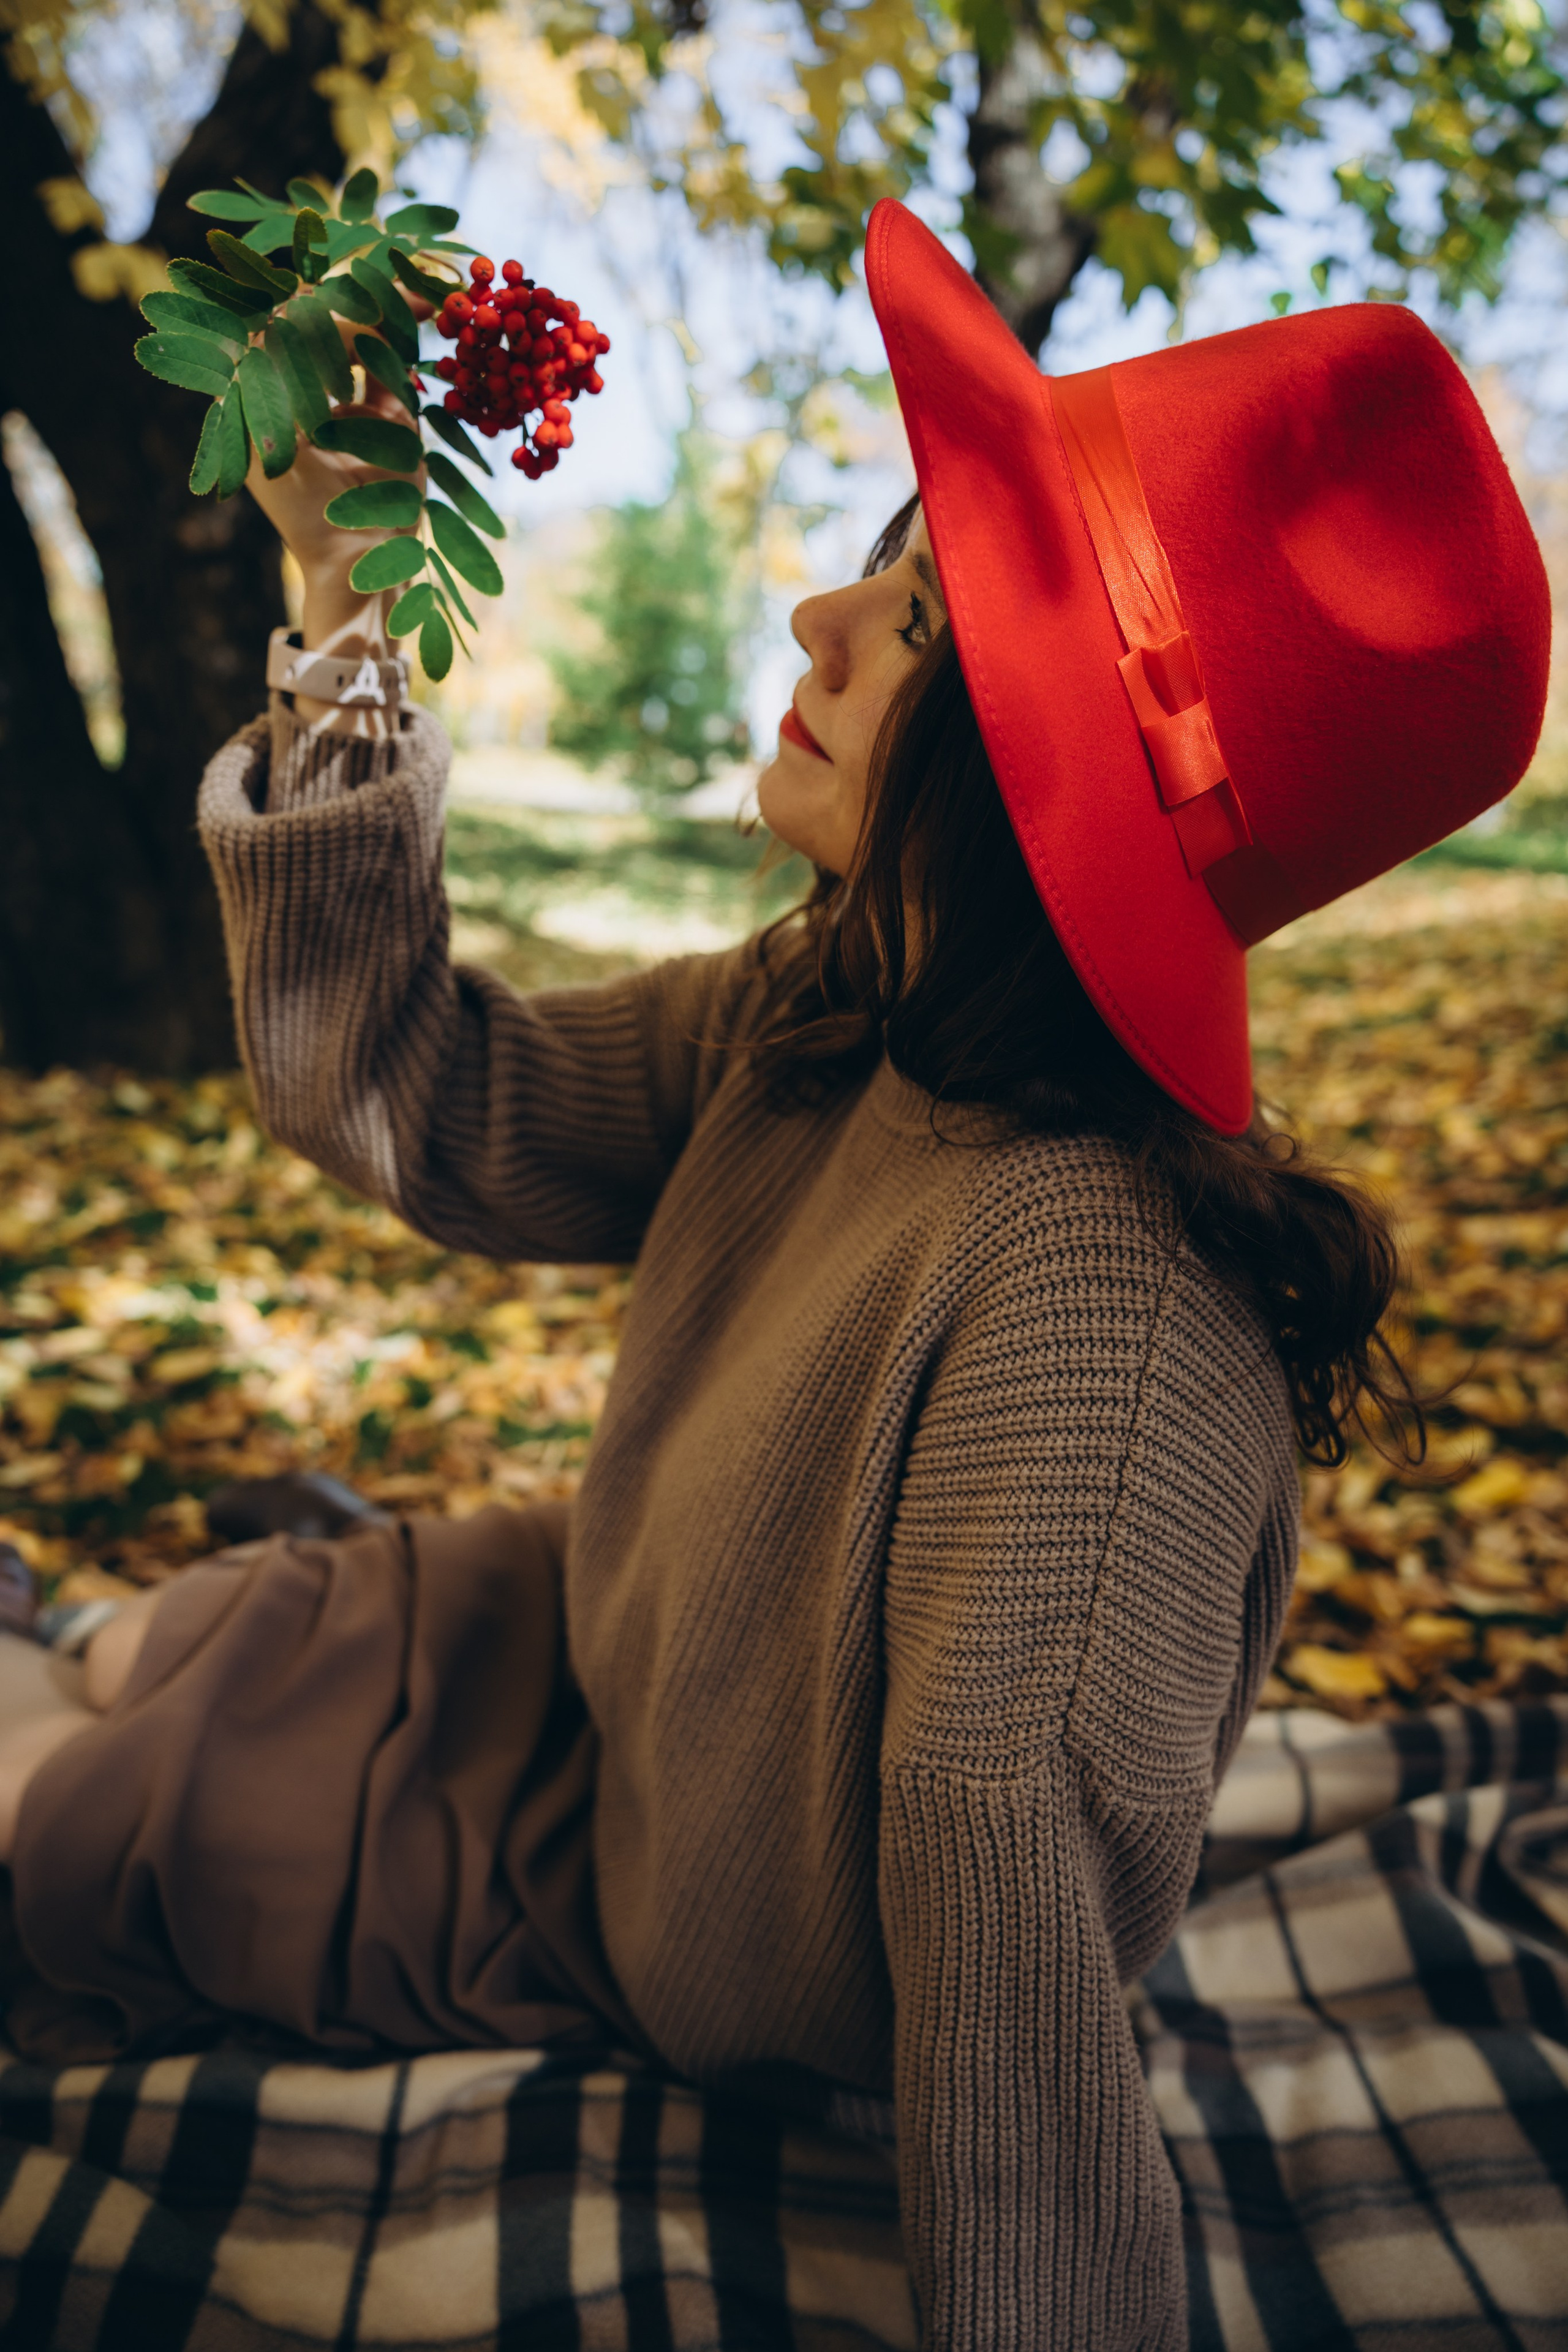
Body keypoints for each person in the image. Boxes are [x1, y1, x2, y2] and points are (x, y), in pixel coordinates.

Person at [0, 201, 1548, 2349]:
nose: (816, 617)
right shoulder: (841, 1008)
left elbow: (1000, 1859)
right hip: (579, 1638)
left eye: (915, 621)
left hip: (643, 1903)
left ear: (1039, 773)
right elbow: (420, 1096)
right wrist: (346, 589)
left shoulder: (1094, 1329)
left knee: (54, 1813)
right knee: (124, 1645)